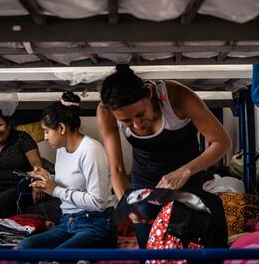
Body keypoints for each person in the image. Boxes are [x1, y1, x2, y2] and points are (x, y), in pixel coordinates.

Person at [97, 64, 232, 248]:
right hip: (144, 183)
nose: (137, 125)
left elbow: (222, 142)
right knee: (150, 250)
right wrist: (128, 203)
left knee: (188, 245)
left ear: (150, 92)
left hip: (186, 179)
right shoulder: (106, 111)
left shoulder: (177, 97)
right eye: (126, 121)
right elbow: (118, 169)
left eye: (140, 114)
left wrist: (184, 172)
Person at [19, 91, 117, 249]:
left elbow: (98, 202)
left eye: (46, 131)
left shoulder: (91, 150)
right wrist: (47, 178)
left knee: (60, 255)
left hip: (96, 223)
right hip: (67, 222)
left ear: (61, 128)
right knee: (26, 247)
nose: (45, 137)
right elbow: (72, 182)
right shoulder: (62, 149)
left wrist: (55, 190)